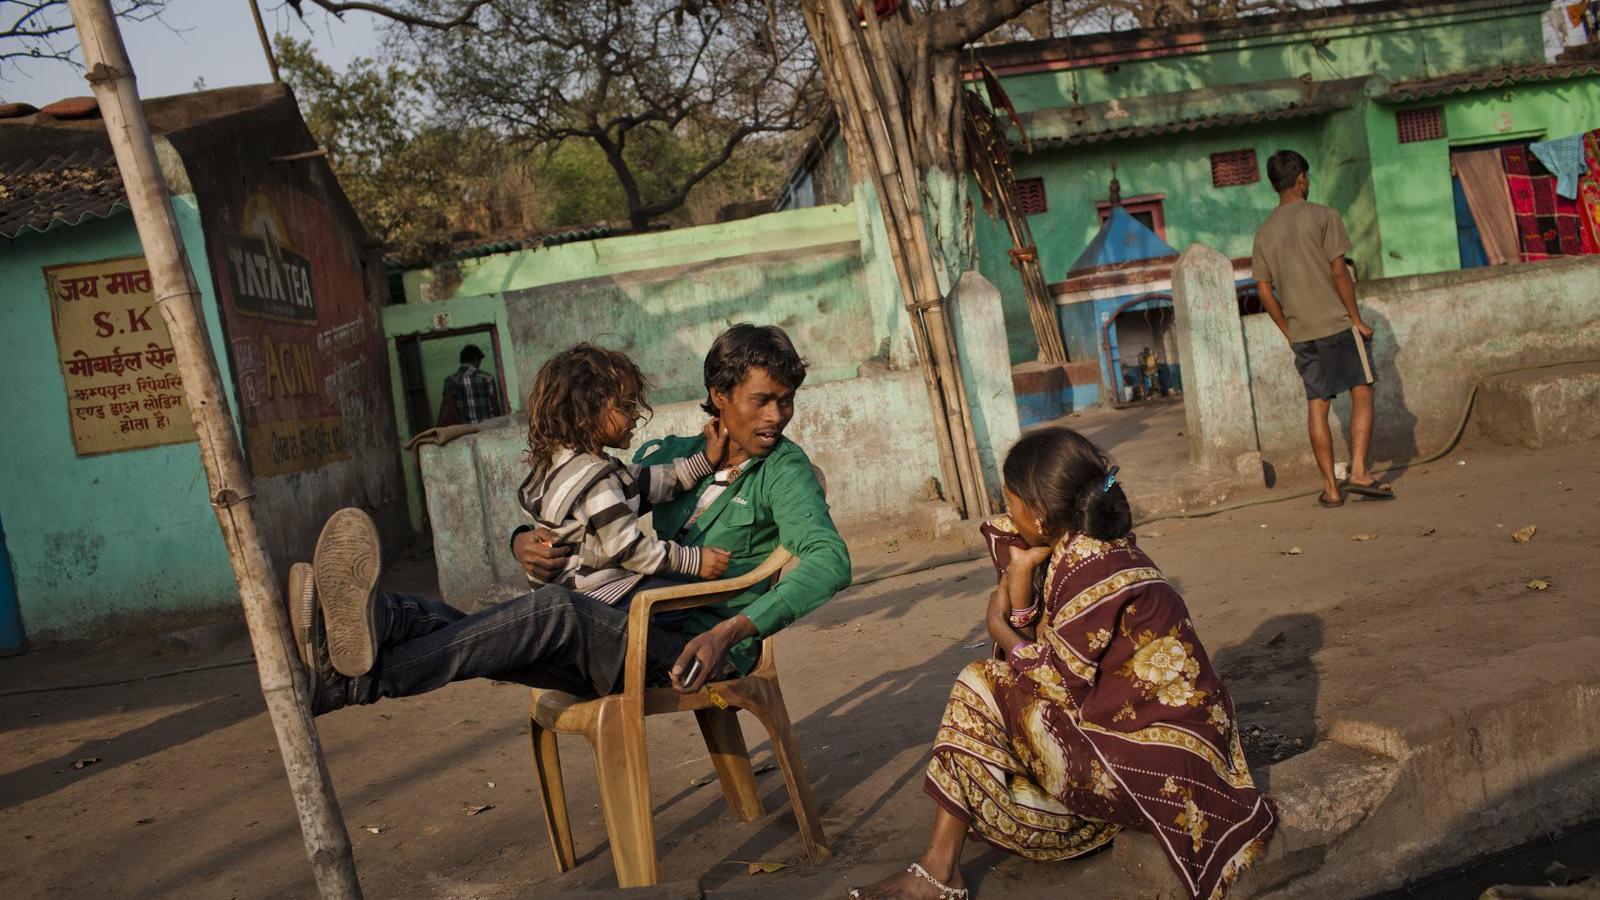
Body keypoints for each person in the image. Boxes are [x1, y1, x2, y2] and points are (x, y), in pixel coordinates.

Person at [287, 324, 851, 714]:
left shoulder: (784, 469)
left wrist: (734, 630)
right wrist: (523, 543)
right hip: (627, 631)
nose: (779, 416)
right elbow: (590, 500)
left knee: (551, 611)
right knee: (507, 625)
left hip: (690, 655)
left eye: (787, 400)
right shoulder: (673, 455)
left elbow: (829, 561)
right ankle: (375, 623)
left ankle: (356, 678)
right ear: (719, 396)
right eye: (763, 400)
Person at [849, 427, 1274, 900]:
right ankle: (949, 856)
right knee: (999, 688)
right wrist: (1022, 579)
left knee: (978, 685)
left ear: (1042, 513)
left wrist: (1001, 630)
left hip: (1149, 762)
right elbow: (1050, 639)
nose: (1006, 515)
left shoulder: (1091, 567)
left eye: (1010, 503)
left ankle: (939, 870)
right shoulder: (1083, 547)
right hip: (1163, 742)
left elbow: (1050, 679)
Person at [518, 343, 732, 606]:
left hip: (569, 597)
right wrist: (693, 560)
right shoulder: (596, 482)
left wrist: (707, 460)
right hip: (594, 599)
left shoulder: (566, 465)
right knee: (685, 594)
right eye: (627, 406)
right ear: (589, 411)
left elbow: (653, 481)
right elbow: (630, 550)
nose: (635, 416)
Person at [1251, 150, 1395, 508]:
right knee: (1362, 389)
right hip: (1336, 324)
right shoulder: (1324, 216)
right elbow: (1339, 272)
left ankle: (1331, 489)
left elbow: (1264, 292)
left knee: (1318, 405)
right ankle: (1360, 472)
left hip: (1302, 333)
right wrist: (1357, 320)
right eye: (1307, 177)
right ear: (1301, 178)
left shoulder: (1265, 232)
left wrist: (1288, 330)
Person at [437, 343, 503, 425]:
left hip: (465, 432)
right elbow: (495, 408)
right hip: (488, 428)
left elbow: (448, 410)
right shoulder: (487, 378)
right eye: (479, 361)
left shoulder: (451, 380)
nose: (479, 364)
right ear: (475, 359)